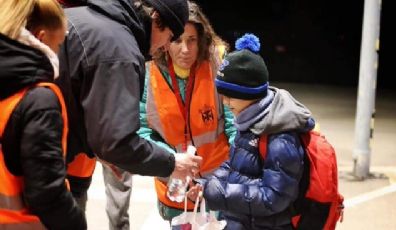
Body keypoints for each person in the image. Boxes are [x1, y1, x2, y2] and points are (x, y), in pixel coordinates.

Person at [55, 0, 203, 215]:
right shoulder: (118, 49)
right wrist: (172, 162)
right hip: (41, 170)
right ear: (156, 18)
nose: (164, 47)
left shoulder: (83, 17)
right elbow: (115, 142)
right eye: (171, 36)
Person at [191, 33, 316, 230]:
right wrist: (208, 183)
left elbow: (273, 197)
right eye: (223, 95)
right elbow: (235, 166)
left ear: (250, 94)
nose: (225, 102)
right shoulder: (249, 119)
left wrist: (217, 192)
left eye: (231, 96)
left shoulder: (280, 135)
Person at [136, 1, 237, 223]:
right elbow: (143, 131)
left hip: (218, 183)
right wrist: (173, 162)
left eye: (191, 40)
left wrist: (228, 174)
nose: (185, 49)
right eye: (178, 40)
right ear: (166, 40)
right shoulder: (148, 72)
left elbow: (234, 123)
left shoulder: (216, 66)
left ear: (202, 40)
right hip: (175, 184)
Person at [0, 0, 86, 229]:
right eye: (58, 46)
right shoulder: (39, 99)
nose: (58, 54)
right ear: (40, 38)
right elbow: (46, 194)